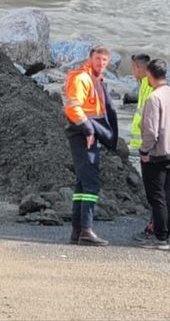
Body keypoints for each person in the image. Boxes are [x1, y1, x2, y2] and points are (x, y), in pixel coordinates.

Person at [63, 46, 119, 246]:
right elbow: (72, 107)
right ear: (89, 58)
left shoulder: (96, 80)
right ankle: (86, 230)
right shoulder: (81, 78)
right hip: (82, 132)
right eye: (98, 59)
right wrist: (88, 130)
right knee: (91, 183)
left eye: (104, 60)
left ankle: (78, 231)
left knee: (82, 183)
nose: (101, 63)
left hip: (89, 131)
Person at [136, 59, 170, 251]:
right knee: (167, 193)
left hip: (157, 152)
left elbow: (151, 130)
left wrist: (144, 151)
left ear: (150, 75)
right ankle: (166, 233)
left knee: (156, 196)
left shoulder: (154, 98)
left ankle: (160, 237)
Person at [126, 53, 157, 239]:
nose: (132, 72)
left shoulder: (149, 86)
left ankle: (155, 226)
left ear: (139, 68)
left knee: (153, 189)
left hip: (149, 147)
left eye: (133, 68)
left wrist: (146, 147)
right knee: (153, 188)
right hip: (145, 145)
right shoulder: (145, 85)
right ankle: (155, 224)